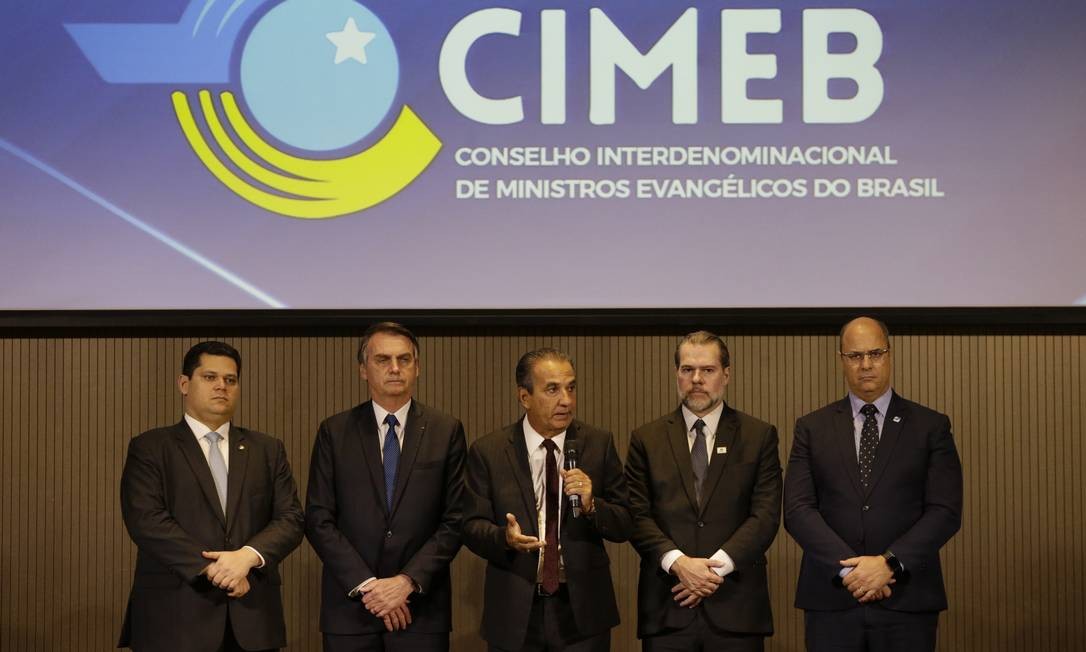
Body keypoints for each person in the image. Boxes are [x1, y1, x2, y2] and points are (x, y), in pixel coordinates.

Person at [784, 316, 963, 652]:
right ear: (842, 360)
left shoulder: (930, 426)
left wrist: (888, 564)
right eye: (855, 356)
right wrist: (852, 571)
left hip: (906, 599)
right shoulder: (812, 427)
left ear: (889, 355)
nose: (865, 365)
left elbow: (945, 511)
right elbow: (797, 510)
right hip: (832, 600)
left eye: (875, 354)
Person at [119, 340, 304, 652]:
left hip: (252, 617)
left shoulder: (267, 449)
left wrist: (247, 557)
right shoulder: (150, 447)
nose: (222, 386)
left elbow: (291, 518)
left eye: (230, 380)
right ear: (184, 383)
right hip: (174, 618)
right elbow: (147, 520)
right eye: (210, 377)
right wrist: (218, 570)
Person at [305, 322, 466, 652]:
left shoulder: (445, 430)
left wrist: (405, 582)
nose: (395, 368)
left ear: (417, 367)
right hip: (351, 610)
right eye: (382, 360)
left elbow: (456, 519)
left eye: (404, 359)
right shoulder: (334, 432)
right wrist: (369, 586)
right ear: (363, 369)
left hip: (420, 610)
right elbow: (319, 518)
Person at [462, 348, 632, 651]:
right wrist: (505, 538)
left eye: (571, 387)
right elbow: (470, 526)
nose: (566, 400)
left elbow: (625, 522)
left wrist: (594, 506)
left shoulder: (598, 444)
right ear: (524, 396)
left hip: (582, 612)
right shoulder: (489, 451)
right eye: (552, 389)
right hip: (515, 610)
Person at [625, 331, 782, 651]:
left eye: (707, 370)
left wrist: (712, 571)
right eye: (687, 370)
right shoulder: (646, 439)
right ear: (676, 374)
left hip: (736, 609)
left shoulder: (758, 435)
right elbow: (636, 515)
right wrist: (680, 565)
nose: (696, 379)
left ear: (726, 374)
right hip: (668, 607)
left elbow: (765, 515)